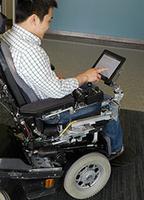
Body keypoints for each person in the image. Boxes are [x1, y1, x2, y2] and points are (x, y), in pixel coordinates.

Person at [2, 0, 123, 157]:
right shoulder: (31, 52)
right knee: (108, 102)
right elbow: (57, 91)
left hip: (33, 100)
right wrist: (84, 76)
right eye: (49, 20)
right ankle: (115, 149)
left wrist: (53, 79)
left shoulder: (7, 36)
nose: (49, 25)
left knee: (84, 87)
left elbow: (37, 79)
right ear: (33, 19)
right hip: (49, 110)